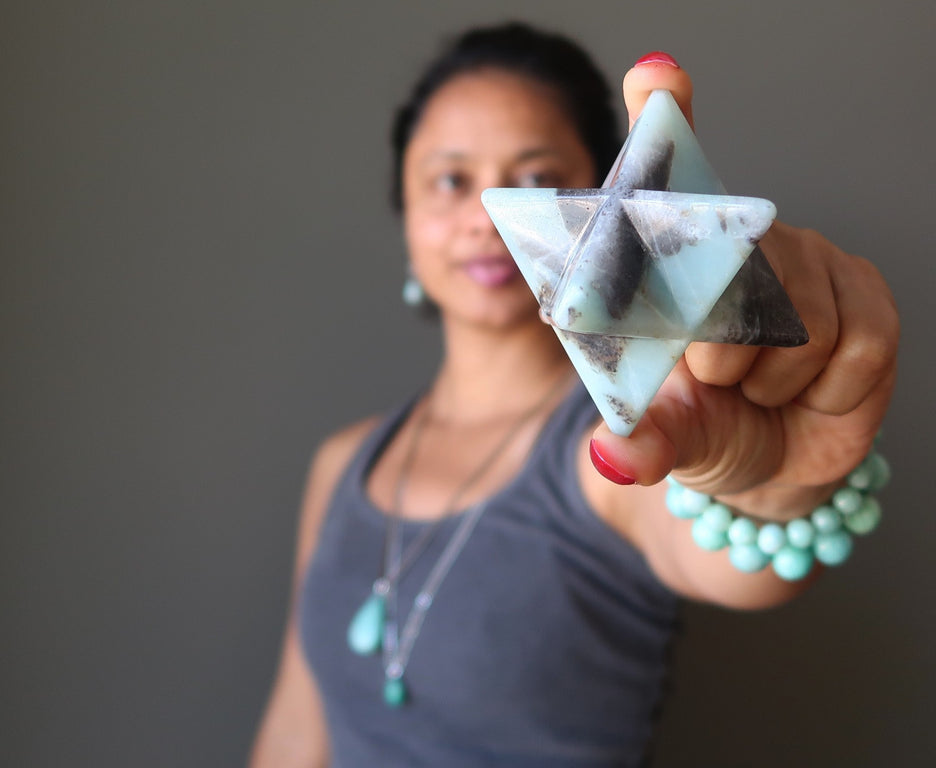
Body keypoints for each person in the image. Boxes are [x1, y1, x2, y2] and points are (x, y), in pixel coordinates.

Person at [249, 22, 899, 768]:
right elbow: (297, 732)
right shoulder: (343, 465)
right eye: (450, 179)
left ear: (598, 196)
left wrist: (774, 491)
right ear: (405, 214)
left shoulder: (616, 449)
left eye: (534, 178)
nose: (484, 217)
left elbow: (725, 551)